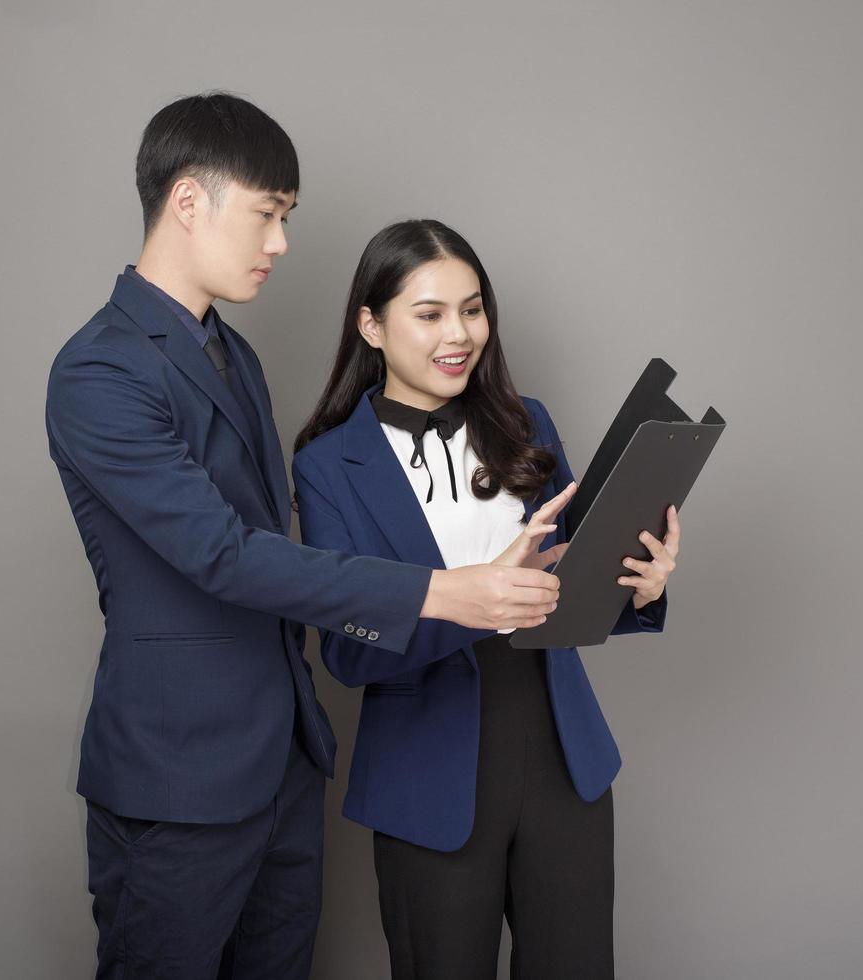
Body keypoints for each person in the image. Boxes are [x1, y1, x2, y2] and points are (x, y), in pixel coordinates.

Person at [45, 96, 563, 980]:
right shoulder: (98, 370)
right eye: (267, 215)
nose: (281, 243)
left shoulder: (232, 356)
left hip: (282, 764)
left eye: (287, 218)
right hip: (178, 777)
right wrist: (446, 591)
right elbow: (223, 555)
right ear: (188, 202)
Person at [291, 219, 682, 979]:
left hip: (562, 759)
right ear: (370, 325)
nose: (459, 334)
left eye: (472, 309)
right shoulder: (328, 464)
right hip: (424, 776)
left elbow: (574, 581)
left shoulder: (526, 422)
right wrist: (471, 601)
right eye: (430, 313)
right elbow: (343, 650)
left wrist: (641, 583)